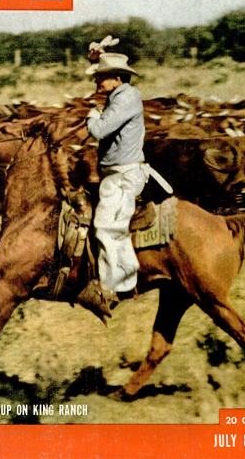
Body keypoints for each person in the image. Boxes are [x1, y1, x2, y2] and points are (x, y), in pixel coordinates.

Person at [78, 52, 149, 320]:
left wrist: (91, 116)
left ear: (116, 78)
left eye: (100, 77)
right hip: (116, 173)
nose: (96, 81)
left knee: (107, 227)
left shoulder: (128, 96)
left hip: (123, 175)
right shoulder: (118, 97)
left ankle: (114, 289)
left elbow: (99, 131)